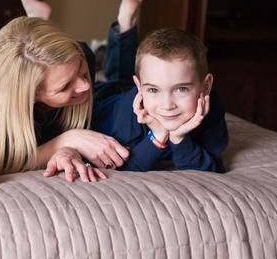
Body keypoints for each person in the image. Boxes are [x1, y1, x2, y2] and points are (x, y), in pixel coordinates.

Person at [0, 0, 144, 182]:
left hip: (27, 64)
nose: (85, 85)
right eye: (65, 86)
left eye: (81, 73)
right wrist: (68, 139)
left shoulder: (80, 53)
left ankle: (37, 20)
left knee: (117, 92)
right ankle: (36, 19)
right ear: (30, 95)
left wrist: (68, 149)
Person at [92, 28, 228, 172]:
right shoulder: (128, 118)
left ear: (206, 86)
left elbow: (213, 168)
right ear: (139, 87)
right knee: (114, 78)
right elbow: (124, 168)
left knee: (121, 77)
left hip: (127, 89)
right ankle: (117, 36)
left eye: (181, 89)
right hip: (104, 98)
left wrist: (179, 138)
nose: (167, 105)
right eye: (153, 90)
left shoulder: (212, 108)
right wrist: (157, 136)